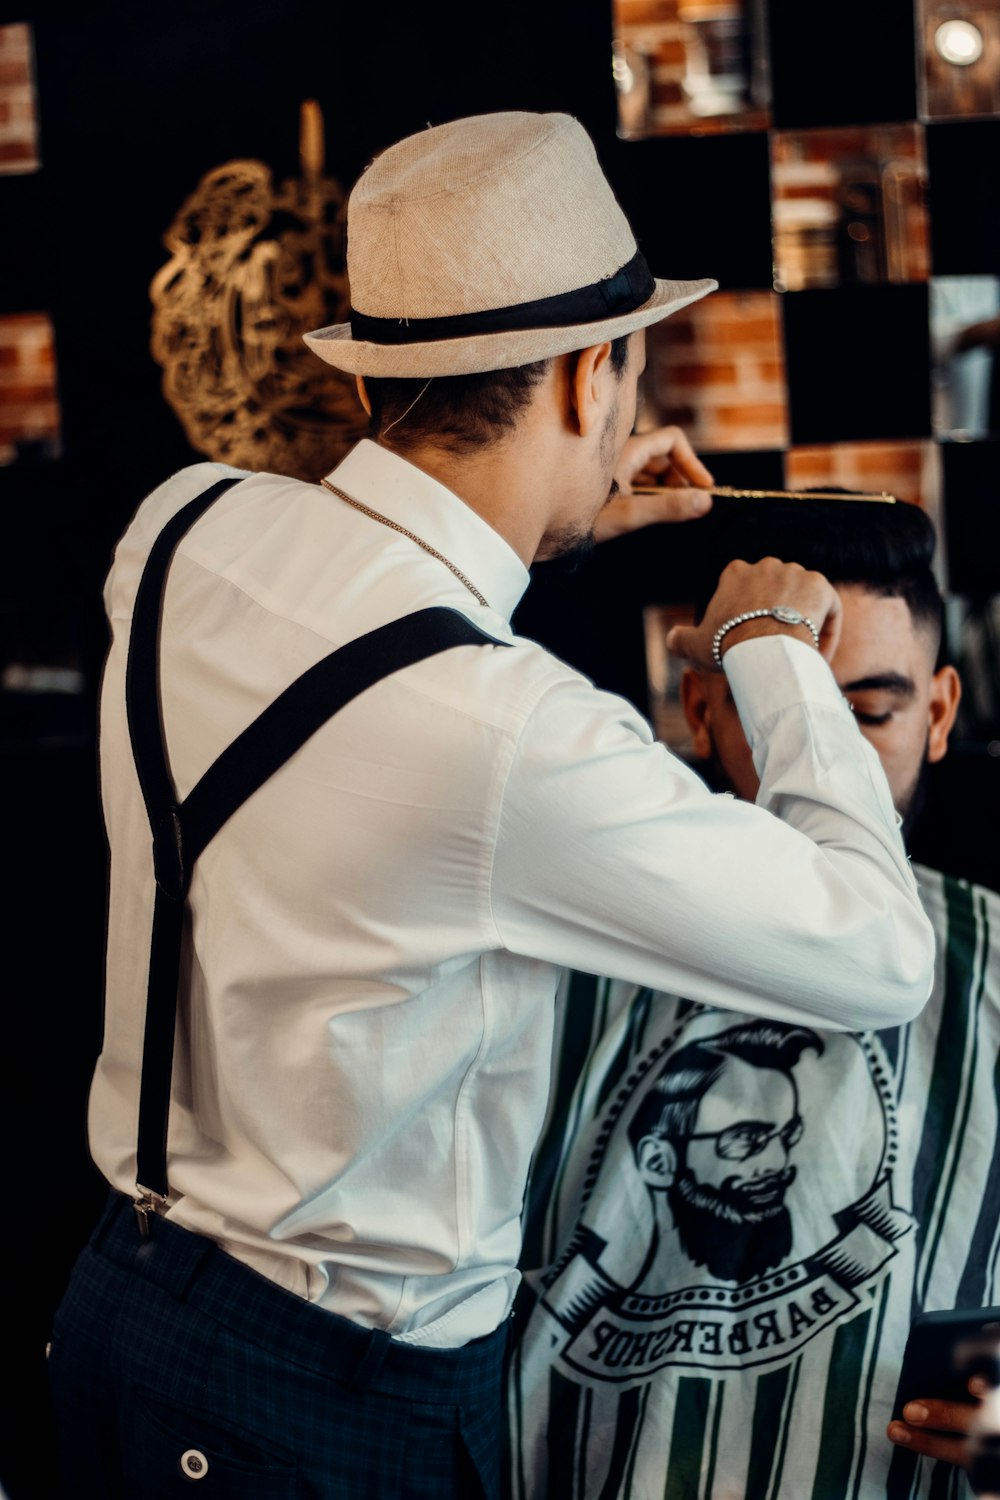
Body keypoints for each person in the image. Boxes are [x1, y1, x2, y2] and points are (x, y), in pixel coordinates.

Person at [47, 111, 933, 1499]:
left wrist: (547, 519)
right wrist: (772, 653)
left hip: (115, 1309)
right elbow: (878, 954)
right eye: (626, 381)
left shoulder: (177, 534)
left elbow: (366, 612)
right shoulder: (523, 737)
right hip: (323, 1401)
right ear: (594, 380)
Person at [507, 495, 999, 1500]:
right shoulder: (560, 942)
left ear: (939, 714)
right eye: (783, 706)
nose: (832, 768)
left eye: (865, 714)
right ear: (701, 709)